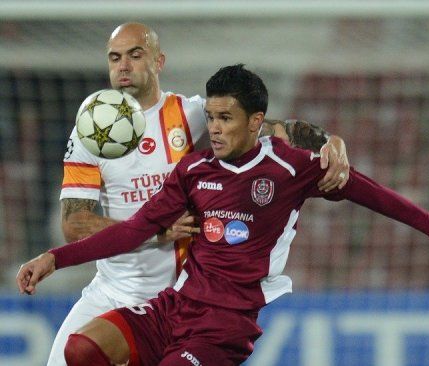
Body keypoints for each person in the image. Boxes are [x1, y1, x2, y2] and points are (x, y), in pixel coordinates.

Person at [17, 64, 429, 366]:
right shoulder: (194, 169)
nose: (216, 129)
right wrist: (55, 259)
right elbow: (136, 231)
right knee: (83, 349)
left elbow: (376, 195)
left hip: (225, 325)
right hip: (175, 307)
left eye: (227, 119)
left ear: (255, 122)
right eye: (214, 117)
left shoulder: (291, 167)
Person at [47, 23, 350, 366]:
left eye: (135, 55)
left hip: (182, 302)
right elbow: (74, 225)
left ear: (159, 61)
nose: (124, 66)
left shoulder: (193, 115)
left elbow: (277, 130)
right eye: (115, 58)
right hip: (112, 292)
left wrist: (332, 144)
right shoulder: (90, 131)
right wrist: (155, 232)